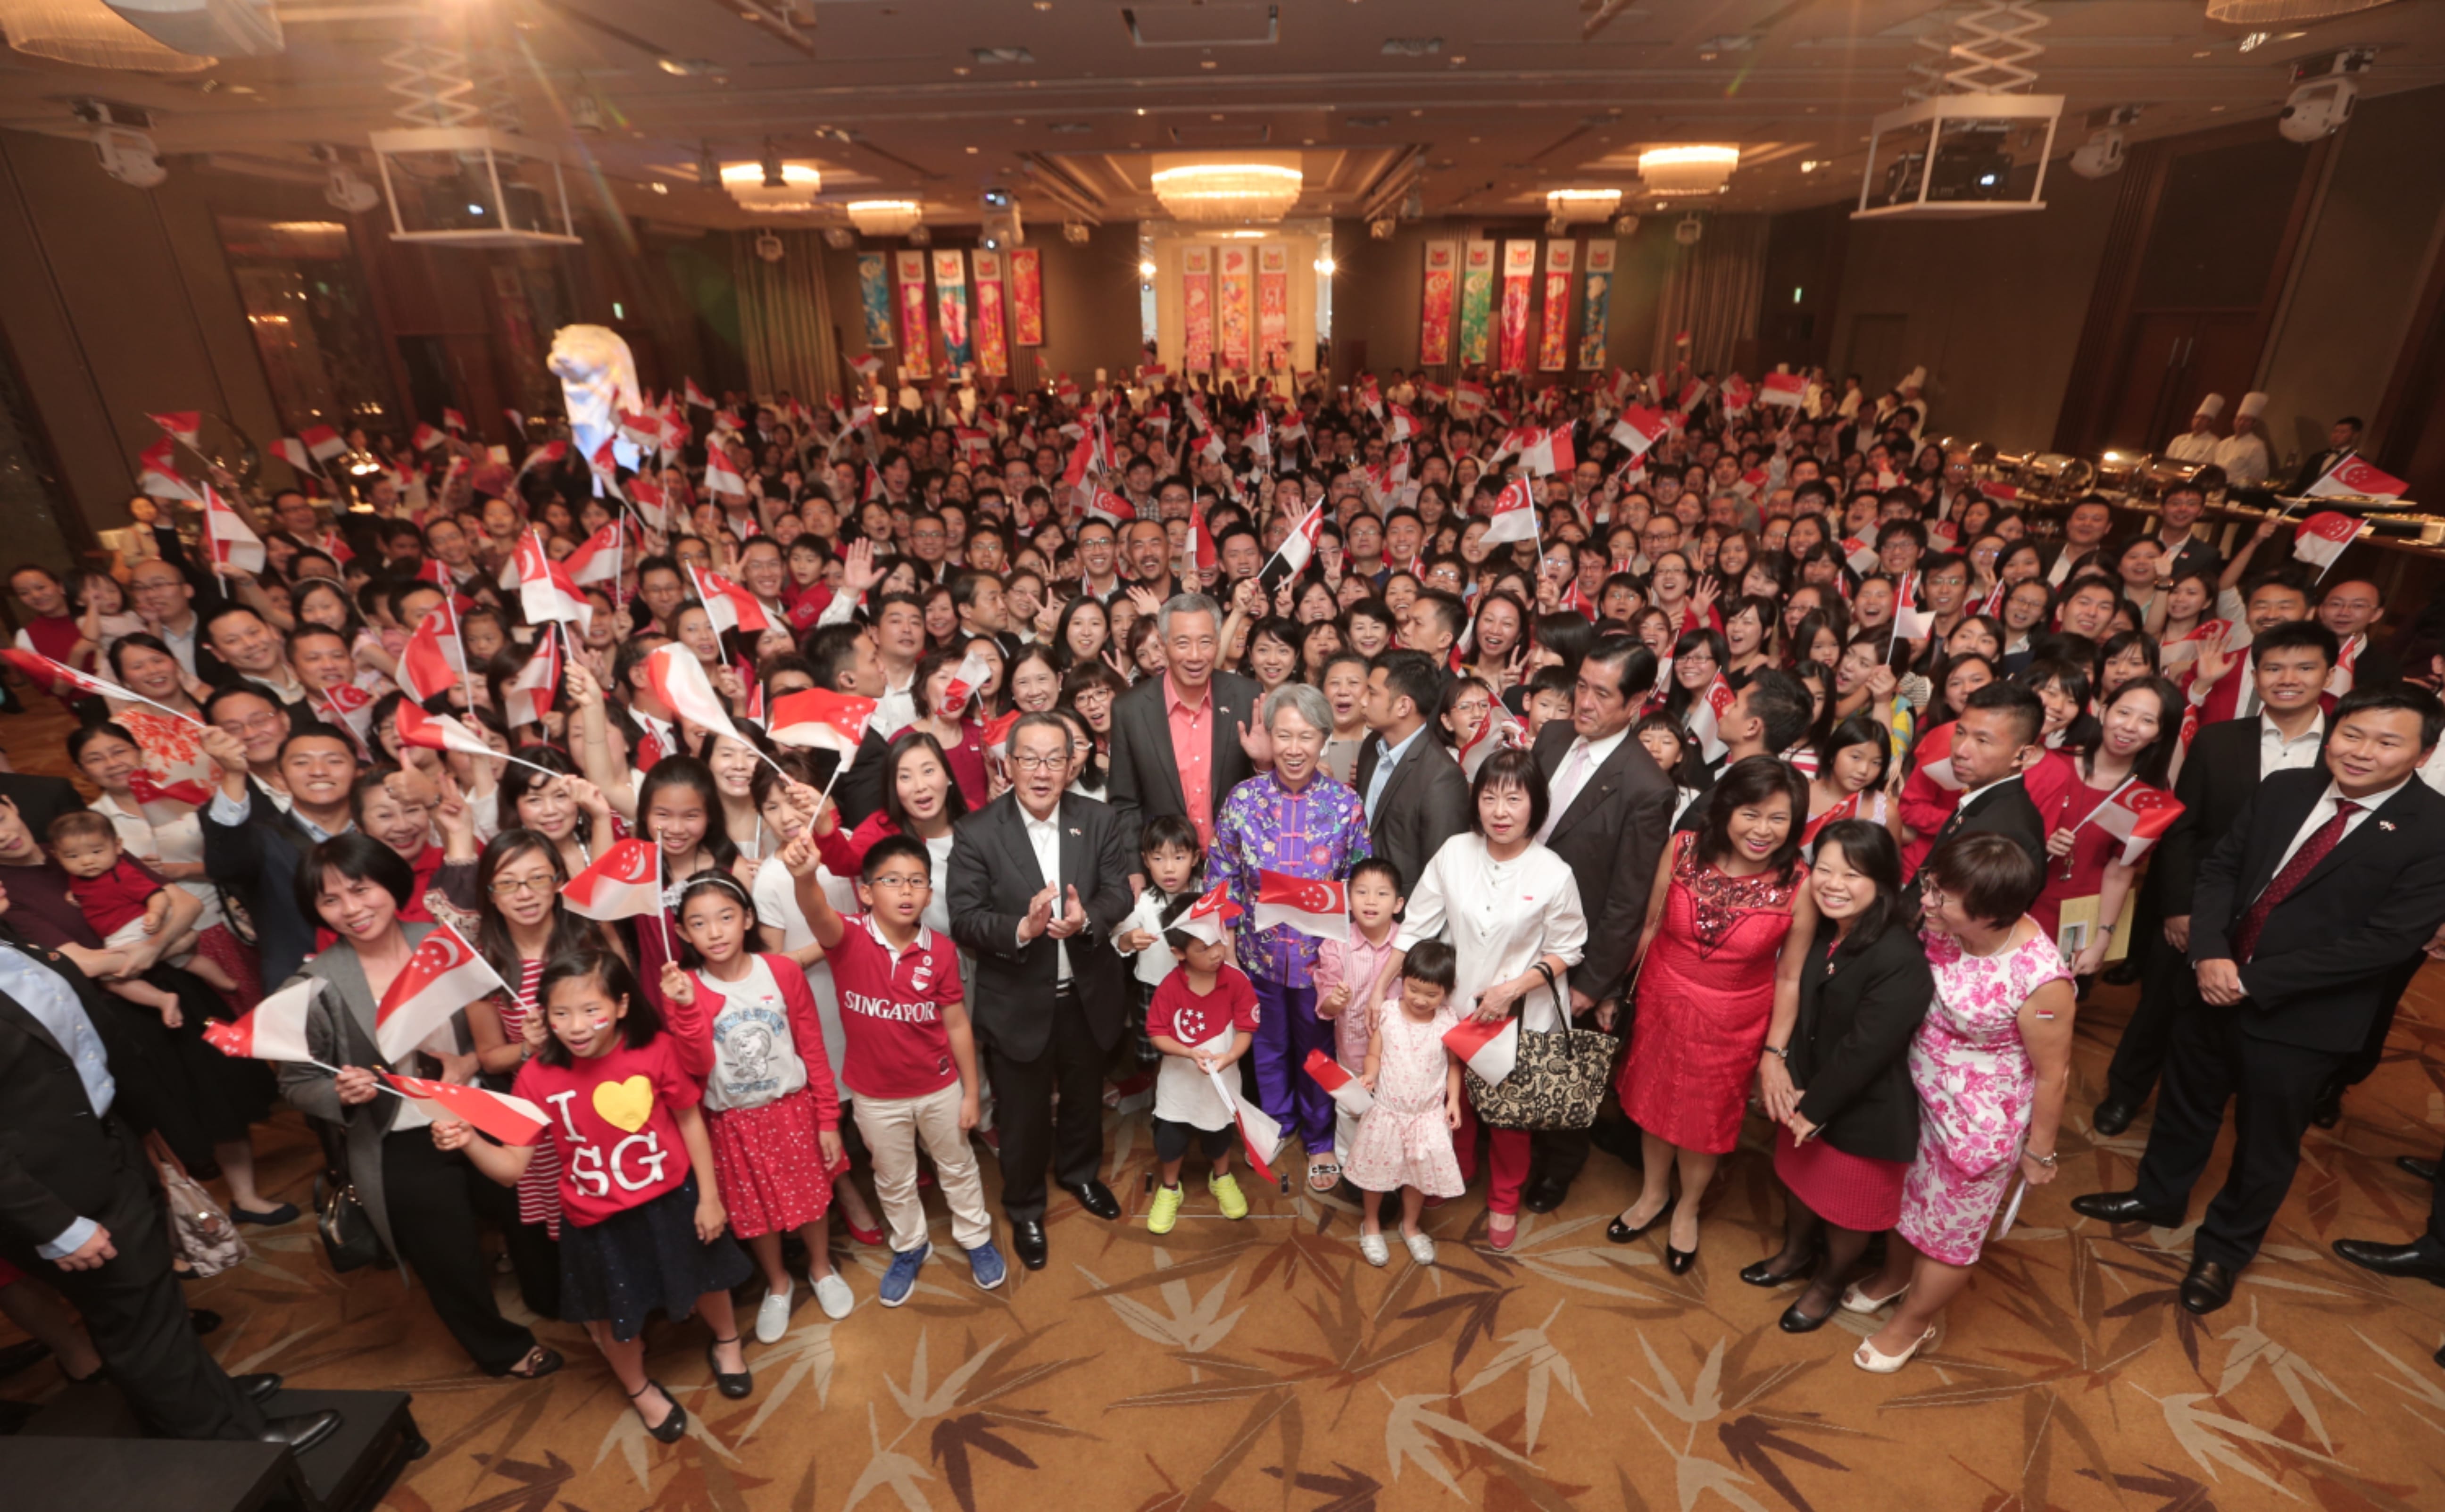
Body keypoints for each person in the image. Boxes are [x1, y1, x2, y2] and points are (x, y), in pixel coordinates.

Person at [2071, 687, 2445, 1314]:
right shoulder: (2287, 789)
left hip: (2301, 1018)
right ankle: (2158, 1195)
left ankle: (2224, 1249)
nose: (2361, 751)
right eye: (2352, 734)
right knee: (2186, 1103)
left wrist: (2252, 980)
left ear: (2424, 752)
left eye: (2387, 741)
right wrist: (2212, 954)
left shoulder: (2434, 829)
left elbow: (2386, 942)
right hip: (2213, 981)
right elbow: (2221, 868)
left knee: (2265, 1144)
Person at [0, 881, 328, 1449]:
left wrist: (143, 1135)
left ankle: (205, 1401)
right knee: (135, 1320)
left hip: (109, 1142)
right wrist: (55, 1224)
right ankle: (232, 1443)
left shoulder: (14, 942)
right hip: (56, 1191)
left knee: (155, 1305)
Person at [437, 947, 753, 1442]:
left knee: (708, 1276)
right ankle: (638, 1387)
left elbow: (690, 1118)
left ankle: (728, 1341)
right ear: (543, 1016)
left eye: (590, 1010)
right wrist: (471, 1140)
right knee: (615, 1315)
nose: (577, 1025)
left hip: (671, 1197)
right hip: (597, 1219)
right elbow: (510, 1169)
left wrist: (709, 1196)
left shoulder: (653, 1050)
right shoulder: (535, 1077)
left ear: (622, 1006)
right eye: (560, 1013)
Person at [275, 835, 562, 1380]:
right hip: (396, 1133)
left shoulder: (444, 942)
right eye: (331, 900)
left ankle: (553, 1297)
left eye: (361, 889)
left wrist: (469, 1061)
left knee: (528, 1205)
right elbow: (296, 1081)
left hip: (477, 1105)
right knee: (445, 1251)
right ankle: (499, 1347)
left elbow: (489, 1028)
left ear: (390, 883)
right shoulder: (316, 984)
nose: (352, 909)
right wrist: (338, 1091)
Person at [2095, 623, 2335, 1136]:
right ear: (2256, 673)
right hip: (2197, 909)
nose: (2287, 678)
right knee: (2157, 1009)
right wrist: (2179, 907)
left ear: (2329, 674)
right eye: (2273, 667)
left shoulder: (2345, 751)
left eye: (2305, 667)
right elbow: (2183, 830)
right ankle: (2124, 1093)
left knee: (2238, 1028)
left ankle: (2203, 1121)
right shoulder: (2219, 740)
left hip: (2280, 923)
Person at [1849, 831, 2073, 1372]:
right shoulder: (1941, 924)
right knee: (1906, 1198)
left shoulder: (2041, 980)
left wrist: (2039, 1152)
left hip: (1977, 1125)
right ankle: (1894, 1276)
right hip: (1915, 1093)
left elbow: (2053, 1073)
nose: (1927, 901)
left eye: (1943, 897)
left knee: (1949, 1233)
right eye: (1931, 885)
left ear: (1992, 914)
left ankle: (1913, 1323)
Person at [1608, 757, 1814, 1272]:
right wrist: (1615, 990)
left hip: (1733, 1019)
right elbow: (1651, 923)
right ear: (1726, 808)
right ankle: (1654, 1193)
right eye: (1751, 813)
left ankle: (1688, 1207)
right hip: (1662, 998)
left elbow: (1790, 976)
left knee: (1703, 1120)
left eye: (1778, 819)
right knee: (1655, 1103)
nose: (1762, 830)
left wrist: (1773, 1049)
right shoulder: (1683, 850)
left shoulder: (1799, 883)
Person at [945, 713, 1135, 1271]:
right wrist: (1022, 930)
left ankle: (1079, 1174)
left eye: (1056, 757)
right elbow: (964, 918)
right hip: (1017, 1002)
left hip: (1086, 992)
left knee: (1082, 1098)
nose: (1043, 770)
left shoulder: (1098, 820)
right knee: (1023, 1115)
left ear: (1074, 763)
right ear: (1008, 763)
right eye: (1029, 757)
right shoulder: (977, 831)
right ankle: (1024, 1204)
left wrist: (1088, 919)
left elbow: (1120, 893)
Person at [782, 831, 1002, 1303]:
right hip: (875, 1096)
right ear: (865, 891)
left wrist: (969, 1093)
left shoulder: (940, 950)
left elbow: (958, 1024)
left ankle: (975, 1235)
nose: (906, 890)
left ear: (928, 892)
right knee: (893, 1177)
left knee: (958, 1166)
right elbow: (815, 909)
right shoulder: (847, 937)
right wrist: (804, 877)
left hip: (939, 1086)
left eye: (917, 881)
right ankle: (910, 1245)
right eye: (892, 880)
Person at [1391, 747, 1587, 1249]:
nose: (1500, 811)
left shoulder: (1553, 871)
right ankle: (1457, 1166)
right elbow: (1415, 928)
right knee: (1451, 1099)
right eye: (1490, 796)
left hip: (1523, 1014)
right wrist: (1379, 992)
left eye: (1514, 799)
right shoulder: (1455, 852)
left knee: (1509, 1116)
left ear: (1535, 805)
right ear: (1475, 801)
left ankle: (1504, 1197)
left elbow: (1569, 948)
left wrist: (1511, 990)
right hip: (1457, 1005)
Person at [1747, 821, 1932, 1331]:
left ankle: (1828, 1281)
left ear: (1883, 882)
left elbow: (1866, 1050)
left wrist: (1813, 1106)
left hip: (1862, 1107)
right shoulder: (1829, 931)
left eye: (1851, 874)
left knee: (1848, 1209)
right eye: (1824, 870)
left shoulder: (1899, 957)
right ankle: (1793, 1255)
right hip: (1809, 1085)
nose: (1833, 884)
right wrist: (1781, 1064)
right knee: (1802, 1186)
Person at [657, 872, 854, 1339]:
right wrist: (685, 1008)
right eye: (700, 923)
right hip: (731, 1122)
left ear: (747, 917)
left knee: (810, 1199)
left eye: (726, 917)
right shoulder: (685, 986)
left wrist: (828, 1117)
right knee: (756, 1210)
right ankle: (779, 1282)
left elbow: (812, 1046)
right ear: (683, 932)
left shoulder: (781, 971)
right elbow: (696, 1064)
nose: (716, 931)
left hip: (792, 1109)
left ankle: (822, 1268)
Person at [1521, 634, 1678, 1212]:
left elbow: (1628, 900)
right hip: (1517, 925)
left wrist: (1596, 982)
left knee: (1564, 1065)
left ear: (1637, 700)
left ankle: (1558, 1168)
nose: (1582, 702)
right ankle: (1509, 1145)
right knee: (1511, 1049)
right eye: (1580, 685)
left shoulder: (1646, 787)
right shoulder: (1554, 734)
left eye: (1601, 693)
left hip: (1578, 950)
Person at [1207, 682, 1372, 1190]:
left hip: (1320, 962)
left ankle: (1321, 1137)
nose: (1294, 748)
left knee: (1319, 1047)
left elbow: (1360, 879)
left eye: (1306, 736)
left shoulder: (1346, 805)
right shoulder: (1243, 799)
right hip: (1257, 956)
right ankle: (1278, 1120)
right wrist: (1229, 947)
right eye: (1284, 735)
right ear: (1270, 738)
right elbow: (1221, 874)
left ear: (1325, 739)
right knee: (1268, 1045)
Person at [1106, 592, 1266, 855]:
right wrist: (1134, 869)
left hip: (1236, 864)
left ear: (1218, 643)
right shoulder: (1130, 709)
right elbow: (1125, 804)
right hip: (1165, 871)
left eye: (1205, 642)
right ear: (1163, 644)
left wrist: (1264, 765)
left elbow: (1266, 792)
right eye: (1182, 643)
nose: (1195, 656)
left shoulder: (1246, 697)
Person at [1139, 887, 1258, 1235]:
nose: (1217, 953)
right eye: (1203, 948)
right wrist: (1188, 1052)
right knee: (1171, 1138)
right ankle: (1170, 1188)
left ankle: (1221, 1177)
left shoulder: (1237, 982)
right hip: (1179, 1083)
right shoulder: (1170, 987)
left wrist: (1230, 1057)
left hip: (1223, 1079)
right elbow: (1158, 1034)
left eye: (1219, 940)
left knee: (1220, 1132)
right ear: (1178, 953)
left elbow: (1247, 1029)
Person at [1347, 939, 1466, 1267]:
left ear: (1447, 991)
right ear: (1403, 980)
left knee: (1418, 1176)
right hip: (1387, 1112)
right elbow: (1374, 1053)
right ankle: (1370, 1224)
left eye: (1432, 995)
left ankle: (1410, 1226)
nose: (1420, 1000)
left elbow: (1454, 1065)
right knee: (1376, 1174)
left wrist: (1453, 1100)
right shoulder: (1387, 1013)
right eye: (1414, 990)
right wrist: (1370, 1075)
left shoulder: (1447, 1021)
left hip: (1427, 1117)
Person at [1311, 856, 1405, 1177]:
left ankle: (1389, 1171)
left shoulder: (1409, 945)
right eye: (1362, 892)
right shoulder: (1336, 945)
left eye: (1382, 894)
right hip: (1352, 1052)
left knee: (1393, 1112)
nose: (1371, 901)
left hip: (1398, 1055)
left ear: (1398, 903)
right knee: (1351, 1109)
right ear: (1349, 900)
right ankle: (1350, 1168)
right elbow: (1325, 1006)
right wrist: (1335, 1001)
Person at [1352, 649, 1473, 897]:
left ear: (1404, 706)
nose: (1362, 700)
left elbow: (1441, 871)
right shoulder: (1371, 746)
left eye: (1372, 693)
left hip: (1405, 912)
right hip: (1362, 900)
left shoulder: (1442, 777)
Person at [1904, 682, 2048, 878]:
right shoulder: (1982, 799)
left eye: (1982, 741)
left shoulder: (2006, 834)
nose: (1960, 751)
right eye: (1960, 732)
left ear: (2022, 755)